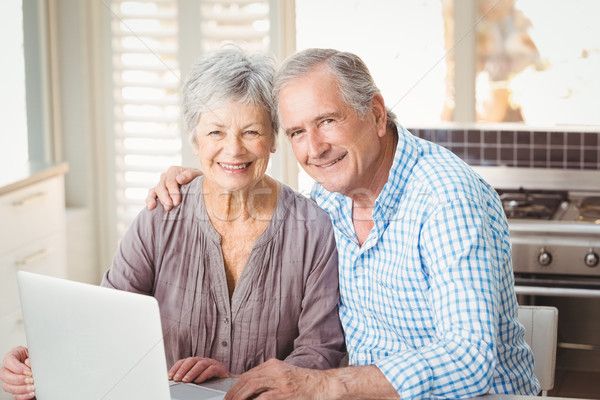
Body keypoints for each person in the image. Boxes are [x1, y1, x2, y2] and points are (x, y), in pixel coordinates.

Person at [145, 48, 540, 400]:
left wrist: (328, 386)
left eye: (328, 121)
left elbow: (469, 359)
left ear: (377, 114)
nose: (315, 148)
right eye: (298, 132)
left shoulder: (446, 199)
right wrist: (210, 179)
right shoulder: (327, 198)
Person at [0, 47, 345, 400]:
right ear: (194, 138)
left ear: (274, 139)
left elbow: (320, 352)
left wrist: (238, 380)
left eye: (251, 131)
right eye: (215, 132)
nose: (233, 150)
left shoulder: (313, 229)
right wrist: (40, 362)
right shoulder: (159, 217)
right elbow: (103, 325)